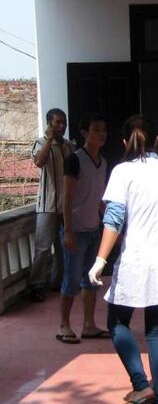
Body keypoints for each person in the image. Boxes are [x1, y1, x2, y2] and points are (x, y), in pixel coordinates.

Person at [88, 115, 158, 404]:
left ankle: (141, 384)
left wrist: (99, 260)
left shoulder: (122, 172)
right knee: (156, 331)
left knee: (118, 323)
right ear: (156, 140)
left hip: (136, 262)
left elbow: (113, 219)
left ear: (124, 143)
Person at [56, 113, 111, 344]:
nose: (102, 134)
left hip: (93, 228)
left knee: (91, 278)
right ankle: (64, 325)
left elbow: (99, 198)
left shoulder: (103, 162)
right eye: (97, 129)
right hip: (76, 229)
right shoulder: (75, 160)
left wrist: (108, 223)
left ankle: (89, 324)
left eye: (104, 129)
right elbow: (67, 197)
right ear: (85, 133)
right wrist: (67, 230)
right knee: (71, 278)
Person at [28, 108, 75, 302]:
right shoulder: (40, 143)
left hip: (66, 206)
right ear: (49, 124)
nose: (61, 126)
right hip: (46, 205)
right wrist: (49, 139)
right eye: (57, 123)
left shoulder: (70, 146)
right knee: (43, 247)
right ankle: (36, 285)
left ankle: (58, 282)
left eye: (63, 123)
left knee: (64, 246)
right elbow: (39, 161)